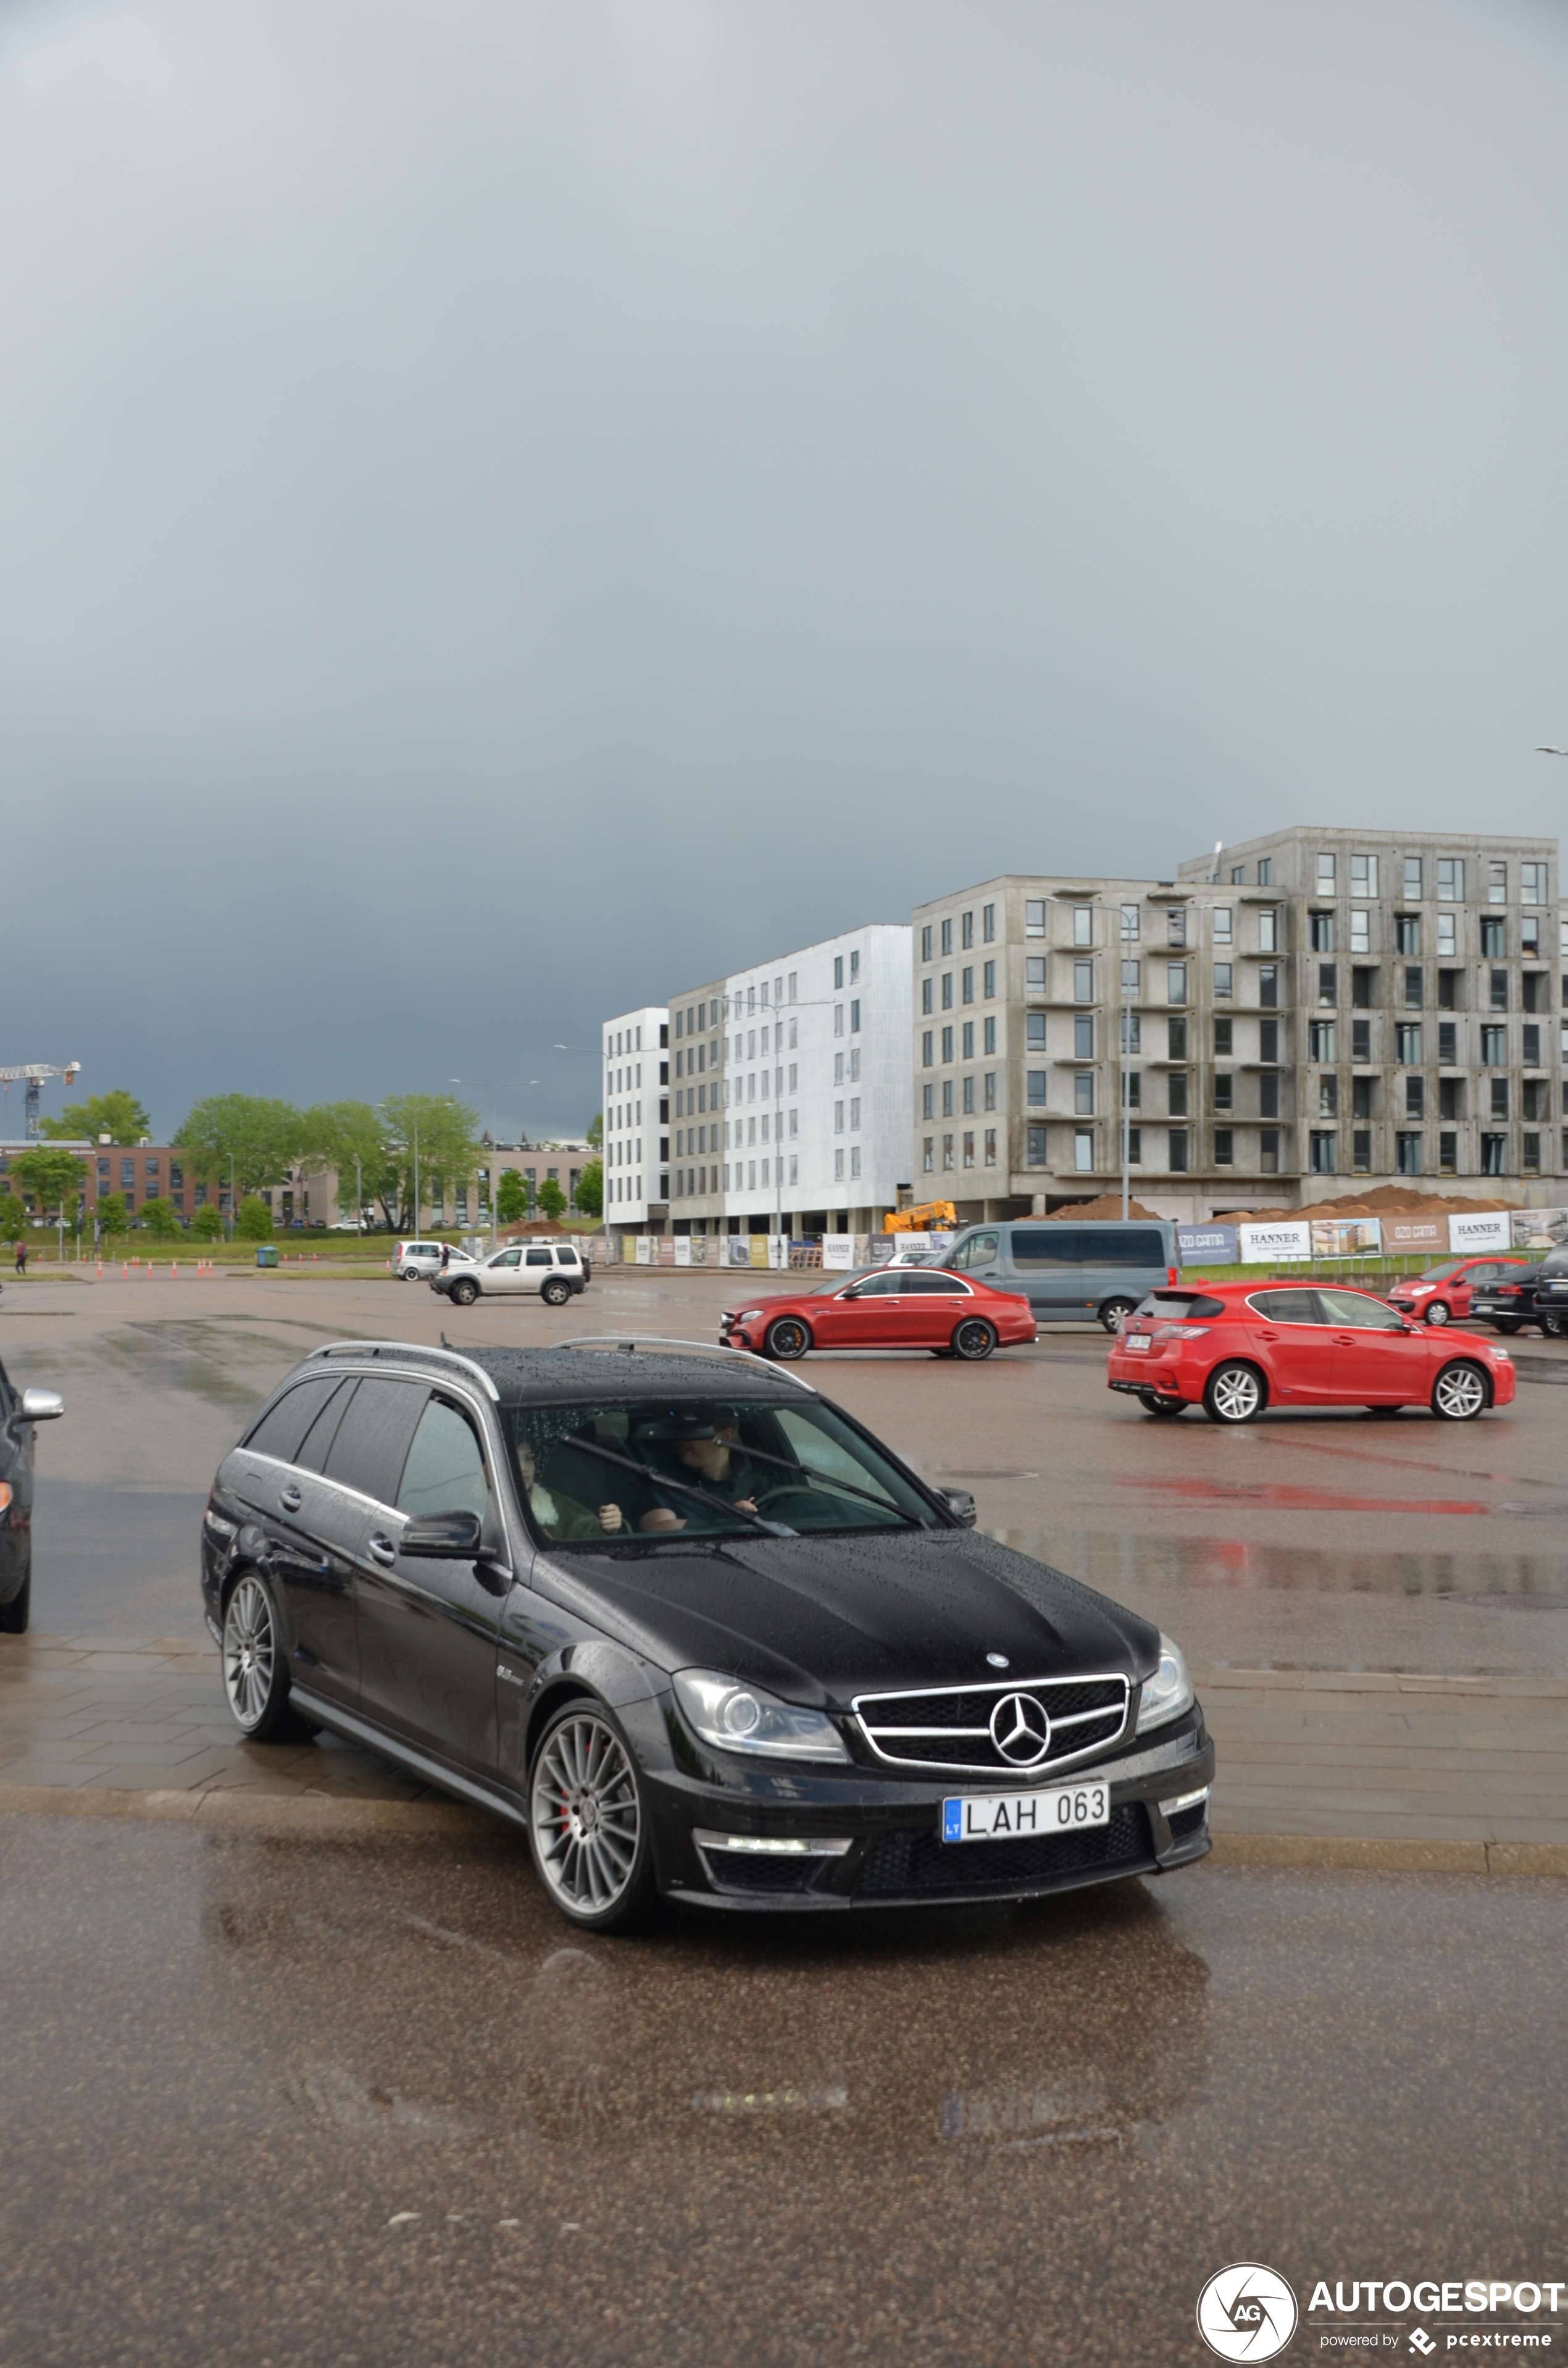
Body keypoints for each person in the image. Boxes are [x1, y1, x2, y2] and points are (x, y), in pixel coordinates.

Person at [637, 1408, 762, 1534]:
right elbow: (655, 1527)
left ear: (725, 1437)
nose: (682, 1440)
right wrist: (728, 1519)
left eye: (694, 1433)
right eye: (680, 1432)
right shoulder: (664, 1480)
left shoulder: (761, 1479)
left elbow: (779, 1520)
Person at [515, 1439, 623, 1541]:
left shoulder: (557, 1505)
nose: (524, 1468)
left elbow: (590, 1533)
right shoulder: (499, 1510)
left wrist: (610, 1526)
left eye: (529, 1458)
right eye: (515, 1458)